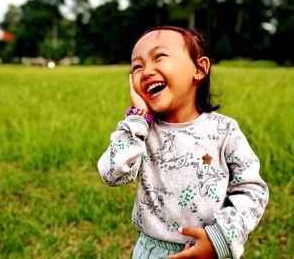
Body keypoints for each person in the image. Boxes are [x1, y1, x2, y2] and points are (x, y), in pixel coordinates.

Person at [97, 26, 269, 259]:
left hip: (212, 249)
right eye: (137, 66)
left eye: (159, 57)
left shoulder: (224, 130)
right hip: (153, 251)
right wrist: (137, 118)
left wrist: (220, 238)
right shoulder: (141, 133)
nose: (146, 71)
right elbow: (113, 173)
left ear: (199, 69)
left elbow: (251, 190)